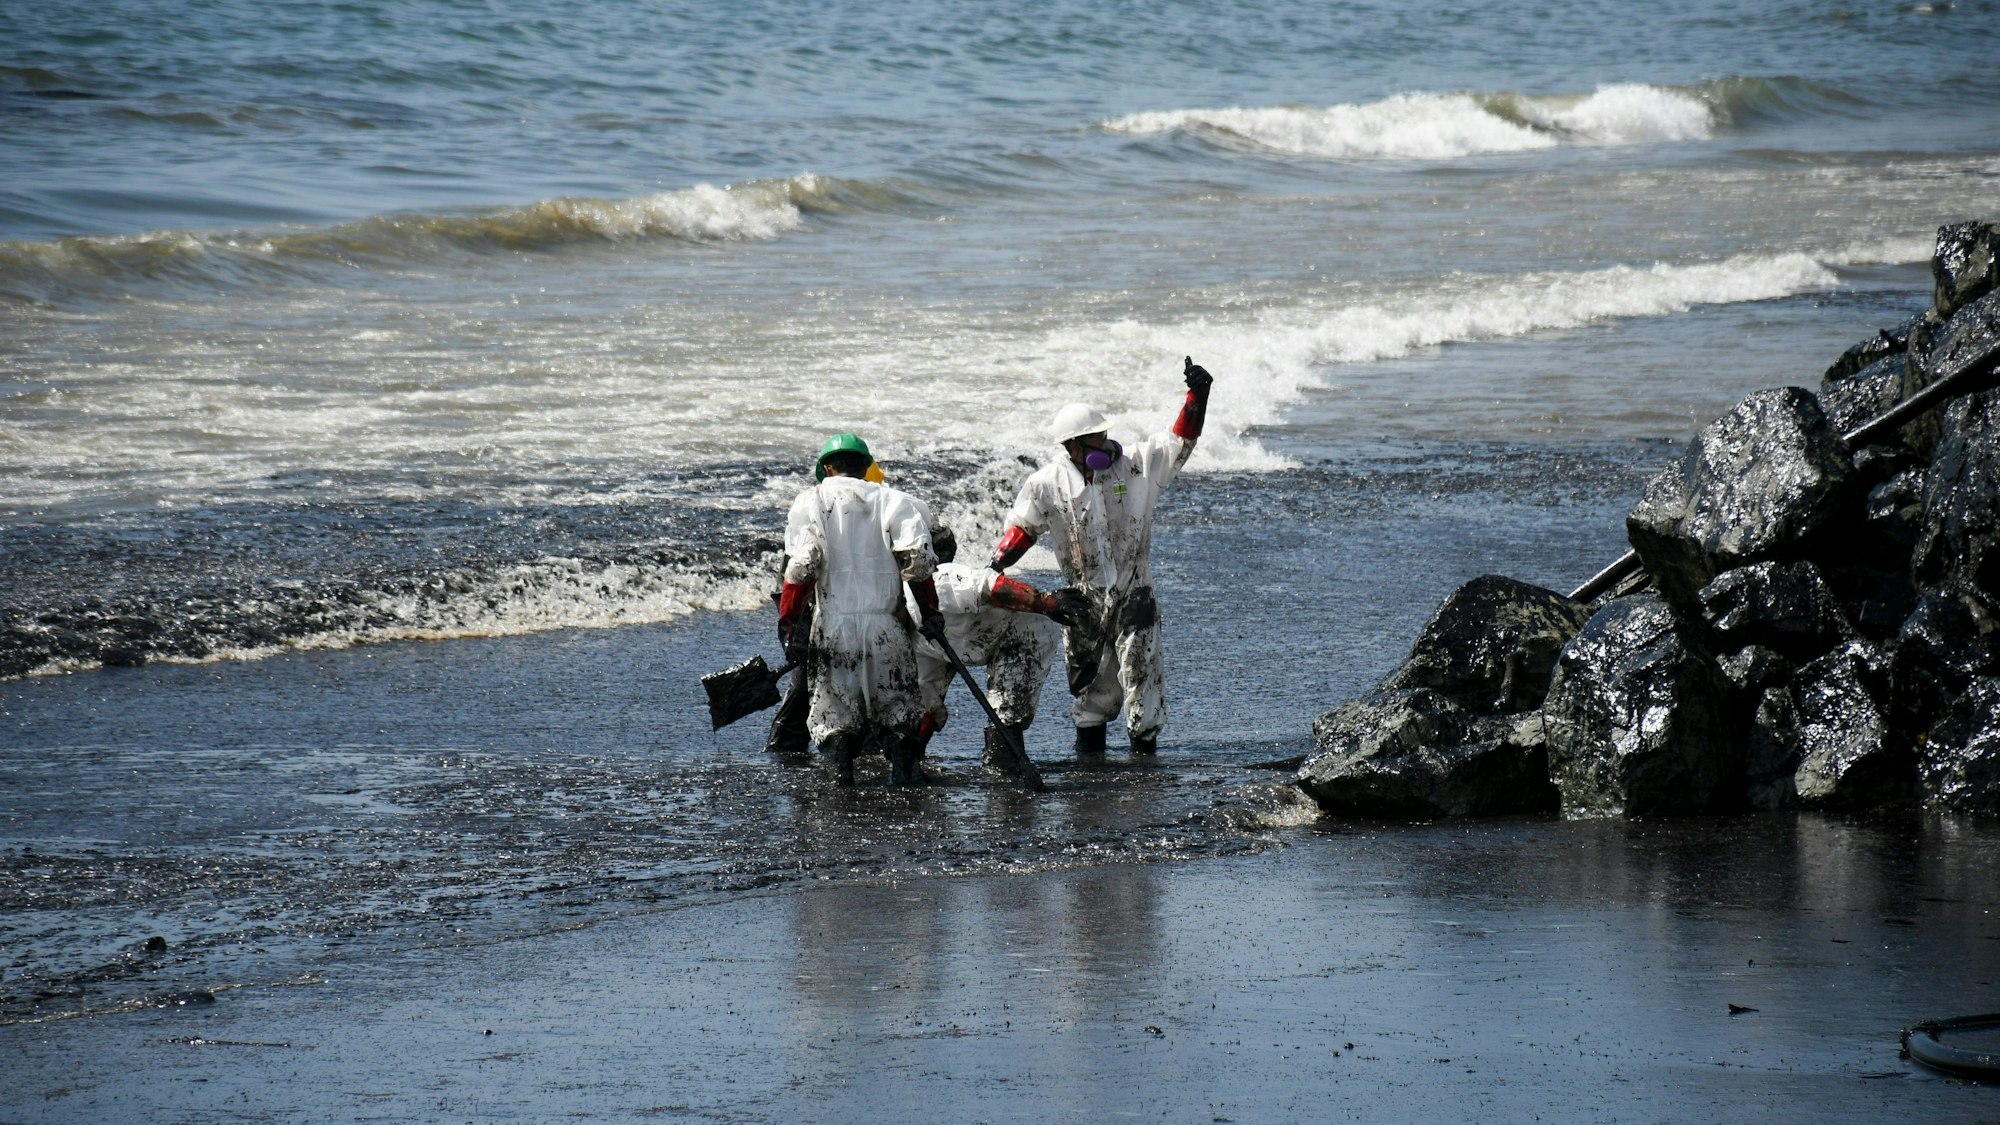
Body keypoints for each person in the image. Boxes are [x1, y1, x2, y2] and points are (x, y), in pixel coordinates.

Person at [987, 356, 1214, 756]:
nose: (1104, 443)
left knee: (1142, 679)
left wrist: (1198, 396)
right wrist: (993, 569)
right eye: (1094, 438)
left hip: (1135, 592)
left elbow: (1179, 441)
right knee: (1092, 690)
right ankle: (1090, 768)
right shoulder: (1047, 485)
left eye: (1105, 433)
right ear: (1073, 446)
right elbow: (1022, 529)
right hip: (1084, 599)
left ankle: (1144, 766)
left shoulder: (1136, 467)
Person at [778, 433, 941, 786]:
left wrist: (789, 621)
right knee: (897, 710)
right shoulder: (894, 500)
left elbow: (802, 567)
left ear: (827, 468)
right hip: (887, 628)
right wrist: (930, 612)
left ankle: (842, 783)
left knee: (835, 713)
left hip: (833, 627)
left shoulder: (810, 501)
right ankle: (905, 780)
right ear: (866, 467)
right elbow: (919, 561)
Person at [901, 520, 1073, 777]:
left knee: (1006, 707)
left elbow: (993, 586)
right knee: (919, 704)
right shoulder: (903, 616)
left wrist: (1048, 602)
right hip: (955, 639)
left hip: (1020, 631)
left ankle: (1004, 764)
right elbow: (925, 694)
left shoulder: (943, 580)